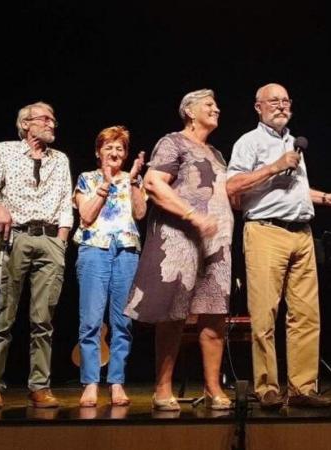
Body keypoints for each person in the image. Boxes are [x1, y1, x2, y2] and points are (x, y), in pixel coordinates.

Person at [226, 83, 331, 409]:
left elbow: (295, 192)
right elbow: (232, 186)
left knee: (307, 316)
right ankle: (267, 387)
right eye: (274, 102)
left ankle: (303, 388)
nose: (281, 106)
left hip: (302, 233)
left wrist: (326, 198)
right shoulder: (249, 142)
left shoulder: (292, 145)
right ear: (258, 107)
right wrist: (272, 167)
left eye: (285, 101)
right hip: (266, 232)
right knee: (265, 315)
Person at [124, 89, 234, 411]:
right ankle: (162, 389)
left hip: (216, 246)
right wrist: (192, 215)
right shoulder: (173, 142)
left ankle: (214, 389)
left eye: (216, 103)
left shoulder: (216, 153)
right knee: (173, 316)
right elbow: (154, 183)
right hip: (180, 241)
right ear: (189, 111)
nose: (216, 108)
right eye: (208, 105)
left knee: (214, 316)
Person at [0, 101, 73, 409]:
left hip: (49, 240)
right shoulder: (3, 151)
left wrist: (60, 241)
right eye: (45, 118)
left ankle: (39, 387)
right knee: (3, 315)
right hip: (13, 237)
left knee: (43, 319)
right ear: (26, 125)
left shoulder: (60, 160)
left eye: (53, 119)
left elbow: (64, 206)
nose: (52, 124)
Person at [73, 126, 147, 407]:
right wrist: (105, 183)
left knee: (122, 322)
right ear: (98, 152)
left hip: (126, 250)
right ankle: (90, 383)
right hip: (94, 248)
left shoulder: (132, 179)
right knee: (91, 320)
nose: (115, 153)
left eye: (120, 148)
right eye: (109, 148)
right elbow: (87, 215)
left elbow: (140, 213)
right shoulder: (86, 179)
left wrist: (137, 182)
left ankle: (117, 382)